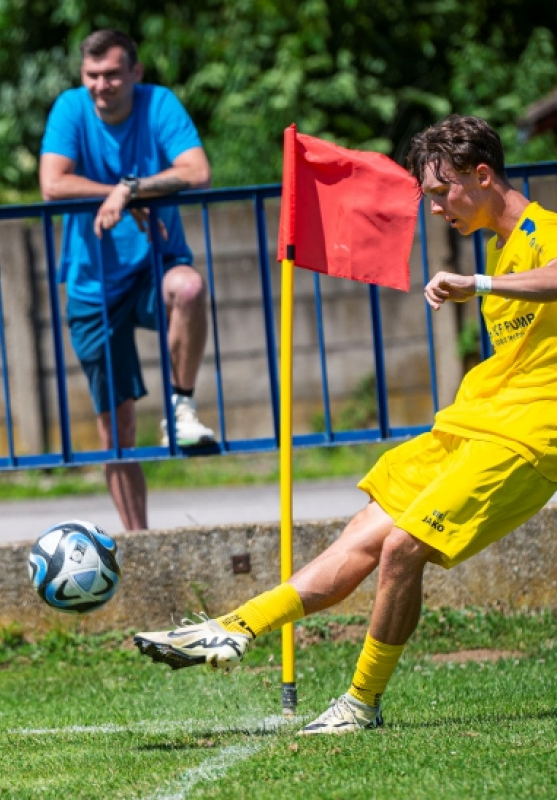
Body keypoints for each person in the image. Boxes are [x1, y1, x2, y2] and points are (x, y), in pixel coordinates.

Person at [134, 114, 557, 734]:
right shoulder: (498, 252)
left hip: (529, 438)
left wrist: (482, 282)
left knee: (401, 548)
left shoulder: (541, 231)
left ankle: (361, 704)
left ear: (484, 175)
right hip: (470, 426)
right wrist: (486, 279)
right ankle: (232, 628)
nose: (436, 208)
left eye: (442, 193)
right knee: (362, 535)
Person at [39, 29, 215, 532]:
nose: (103, 85)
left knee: (190, 287)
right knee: (116, 430)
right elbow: (53, 183)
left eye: (113, 74)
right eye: (93, 75)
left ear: (135, 72)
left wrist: (133, 190)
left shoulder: (158, 102)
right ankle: (139, 542)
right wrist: (117, 193)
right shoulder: (70, 109)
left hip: (156, 266)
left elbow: (197, 171)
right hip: (92, 284)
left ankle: (181, 408)